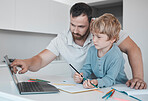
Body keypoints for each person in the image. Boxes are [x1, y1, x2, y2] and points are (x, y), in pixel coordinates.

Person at [11, 2, 147, 89]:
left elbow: (133, 49)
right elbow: (40, 60)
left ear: (91, 22)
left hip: (111, 88)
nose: (75, 30)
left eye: (81, 26)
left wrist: (138, 78)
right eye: (72, 24)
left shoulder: (105, 32)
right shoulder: (62, 39)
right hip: (84, 88)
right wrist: (27, 63)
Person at [74, 13, 128, 88]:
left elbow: (110, 79)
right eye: (93, 35)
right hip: (103, 87)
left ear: (112, 39)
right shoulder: (92, 50)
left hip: (119, 87)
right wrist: (81, 75)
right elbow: (87, 68)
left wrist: (96, 82)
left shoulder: (116, 55)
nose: (94, 40)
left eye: (99, 37)